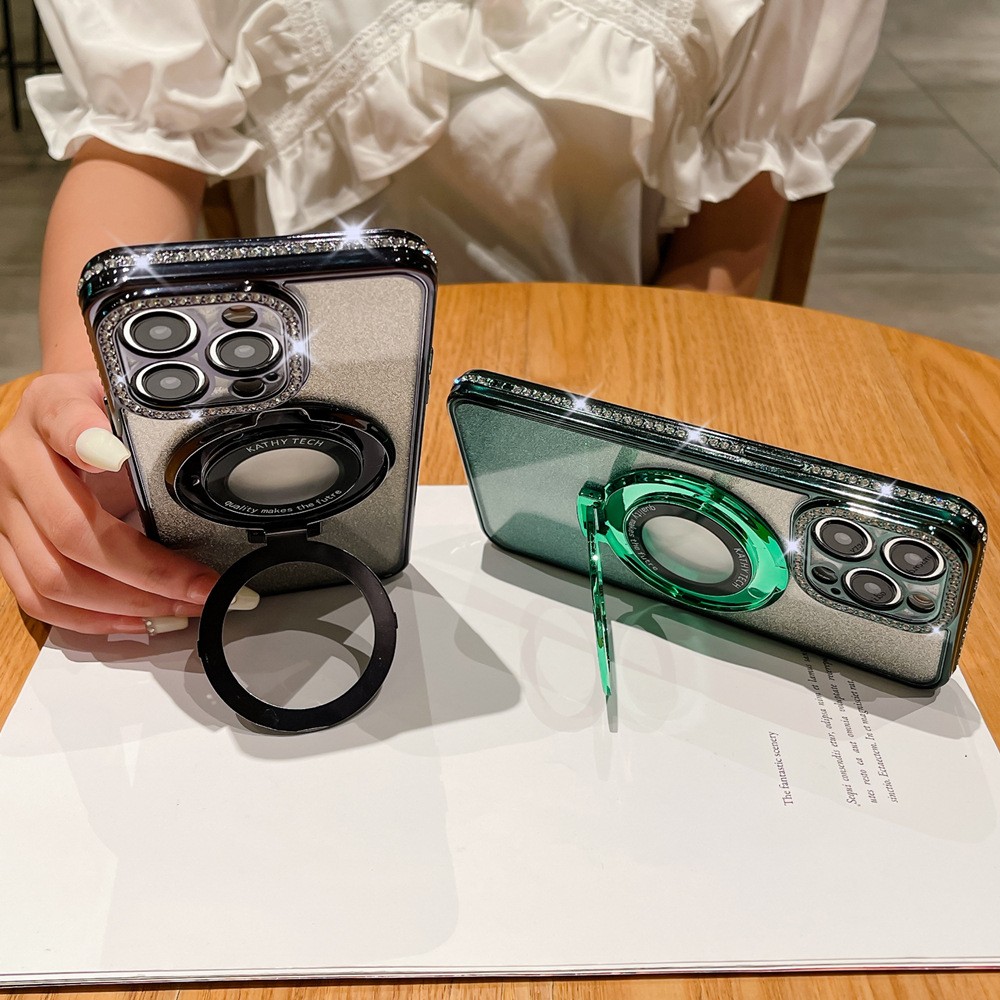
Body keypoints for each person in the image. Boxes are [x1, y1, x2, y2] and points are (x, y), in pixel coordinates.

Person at [0, 0, 886, 636]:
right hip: (298, 399)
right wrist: (84, 401)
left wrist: (662, 427)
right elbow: (143, 144)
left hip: (595, 390)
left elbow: (735, 204)